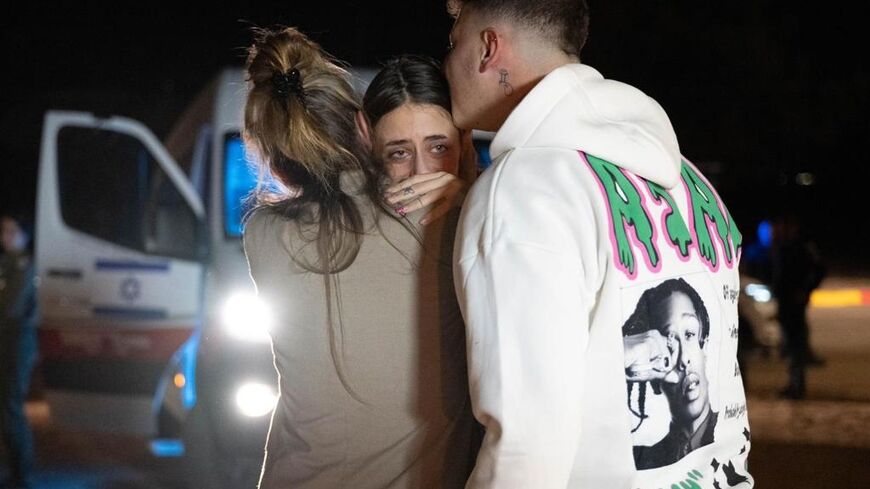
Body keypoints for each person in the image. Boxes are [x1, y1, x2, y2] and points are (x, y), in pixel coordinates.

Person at [445, 0, 752, 487]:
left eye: (452, 42)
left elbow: (527, 442)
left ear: (487, 49)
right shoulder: (689, 178)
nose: (447, 63)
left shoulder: (524, 187)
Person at [241, 28, 476, 488]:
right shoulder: (448, 221)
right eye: (402, 151)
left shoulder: (261, 235)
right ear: (365, 130)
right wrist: (472, 194)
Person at [622, 278, 717, 470]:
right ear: (654, 380)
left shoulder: (728, 434)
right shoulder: (640, 460)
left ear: (704, 346)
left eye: (689, 334)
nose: (683, 360)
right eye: (669, 343)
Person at [770, 211, 825, 399]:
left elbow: (818, 270)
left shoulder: (801, 247)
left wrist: (806, 290)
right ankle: (794, 384)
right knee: (790, 344)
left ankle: (797, 386)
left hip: (795, 303)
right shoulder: (781, 247)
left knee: (796, 344)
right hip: (785, 302)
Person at [0, 213, 38, 489]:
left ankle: (21, 474)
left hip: (16, 342)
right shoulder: (6, 264)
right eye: (4, 231)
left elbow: (10, 306)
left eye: (13, 231)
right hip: (6, 341)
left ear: (25, 236)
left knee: (11, 406)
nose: (6, 236)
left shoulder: (23, 265)